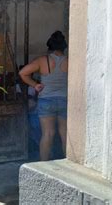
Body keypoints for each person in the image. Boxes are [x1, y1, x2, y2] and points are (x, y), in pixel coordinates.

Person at [19, 31, 68, 161]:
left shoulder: (43, 60)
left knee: (48, 134)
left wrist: (35, 85)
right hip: (65, 100)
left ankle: (43, 165)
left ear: (49, 46)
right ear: (64, 46)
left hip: (46, 100)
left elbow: (23, 73)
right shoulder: (69, 61)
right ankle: (68, 164)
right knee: (65, 134)